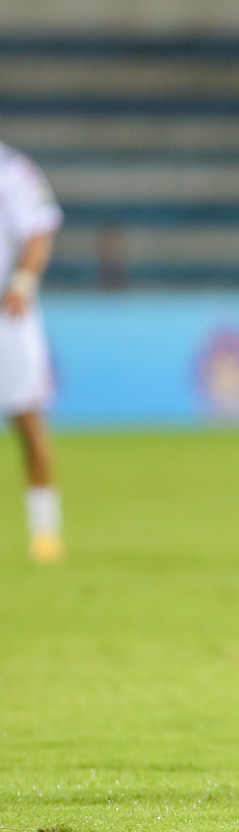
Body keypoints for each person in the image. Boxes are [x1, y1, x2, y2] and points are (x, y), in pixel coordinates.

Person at [0, 143, 64, 564]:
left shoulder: (13, 172)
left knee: (27, 420)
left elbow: (40, 230)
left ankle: (45, 531)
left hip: (7, 317)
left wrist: (23, 280)